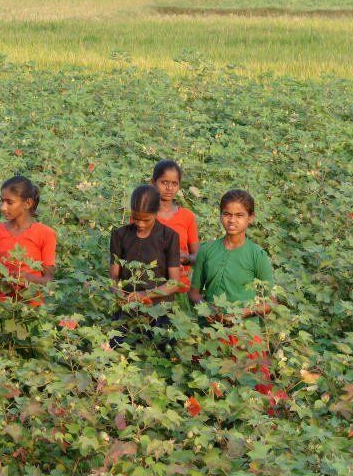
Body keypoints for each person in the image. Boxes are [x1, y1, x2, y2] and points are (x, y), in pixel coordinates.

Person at [189, 189, 275, 393]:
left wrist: (242, 313)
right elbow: (194, 292)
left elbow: (270, 302)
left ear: (250, 218)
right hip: (211, 331)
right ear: (220, 215)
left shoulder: (257, 255)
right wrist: (207, 310)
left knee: (250, 392)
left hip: (246, 335)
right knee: (211, 392)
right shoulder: (206, 250)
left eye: (239, 215)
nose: (232, 220)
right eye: (227, 214)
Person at [109, 185, 181, 345]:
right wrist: (118, 294)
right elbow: (113, 276)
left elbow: (174, 283)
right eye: (136, 218)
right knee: (117, 350)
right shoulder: (119, 235)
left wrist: (145, 294)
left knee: (159, 349)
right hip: (127, 310)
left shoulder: (169, 237)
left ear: (156, 212)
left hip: (159, 311)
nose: (140, 224)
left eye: (146, 219)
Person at [0, 176, 57, 306]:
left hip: (31, 310)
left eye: (9, 202)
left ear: (28, 203)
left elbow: (48, 280)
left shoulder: (46, 234)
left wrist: (29, 279)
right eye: (2, 201)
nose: (3, 207)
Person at [151, 160, 199, 298]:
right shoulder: (144, 215)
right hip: (150, 288)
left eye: (174, 183)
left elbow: (198, 256)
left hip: (180, 290)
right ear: (153, 183)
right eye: (164, 182)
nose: (169, 188)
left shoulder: (187, 216)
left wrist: (186, 258)